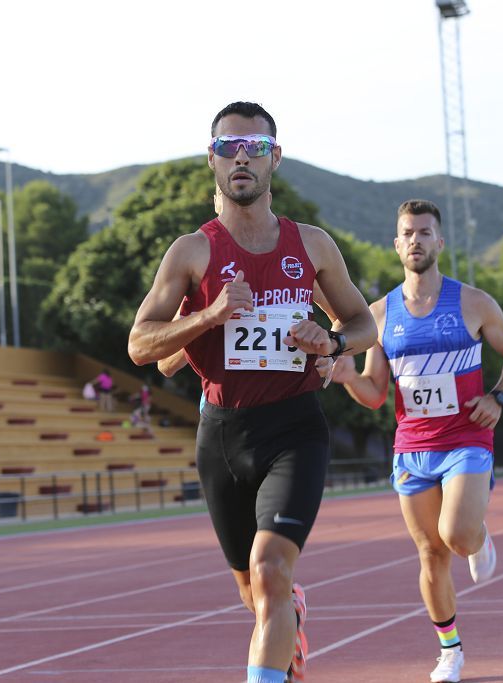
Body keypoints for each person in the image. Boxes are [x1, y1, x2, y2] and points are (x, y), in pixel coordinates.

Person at [129, 101, 377, 683]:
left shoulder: (311, 245)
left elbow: (364, 325)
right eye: (228, 148)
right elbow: (143, 346)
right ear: (211, 159)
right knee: (253, 588)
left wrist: (333, 344)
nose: (242, 157)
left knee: (269, 569)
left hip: (293, 428)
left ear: (275, 158)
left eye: (256, 147)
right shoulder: (192, 251)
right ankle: (287, 614)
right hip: (220, 434)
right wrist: (210, 314)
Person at [318, 199, 503, 683]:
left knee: (455, 536)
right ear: (396, 245)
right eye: (407, 233)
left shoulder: (474, 302)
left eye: (424, 232)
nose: (416, 240)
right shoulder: (378, 315)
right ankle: (450, 651)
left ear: (439, 242)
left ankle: (476, 534)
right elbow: (375, 394)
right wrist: (349, 376)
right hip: (412, 448)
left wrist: (499, 396)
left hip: (467, 439)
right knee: (430, 554)